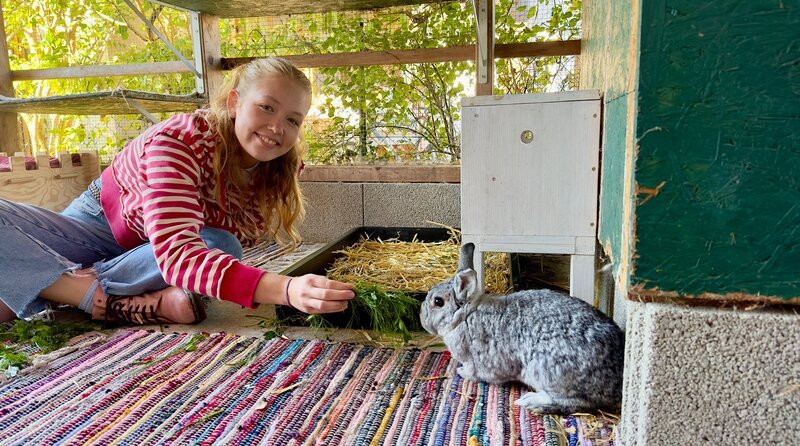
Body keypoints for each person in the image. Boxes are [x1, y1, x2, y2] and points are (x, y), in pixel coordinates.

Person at [0, 57, 354, 325]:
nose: (277, 127)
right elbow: (179, 256)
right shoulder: (179, 142)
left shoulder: (278, 170)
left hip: (147, 256)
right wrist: (287, 289)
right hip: (97, 229)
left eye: (293, 119)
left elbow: (196, 250)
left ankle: (50, 286)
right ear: (234, 103)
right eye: (266, 107)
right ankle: (76, 292)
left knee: (221, 245)